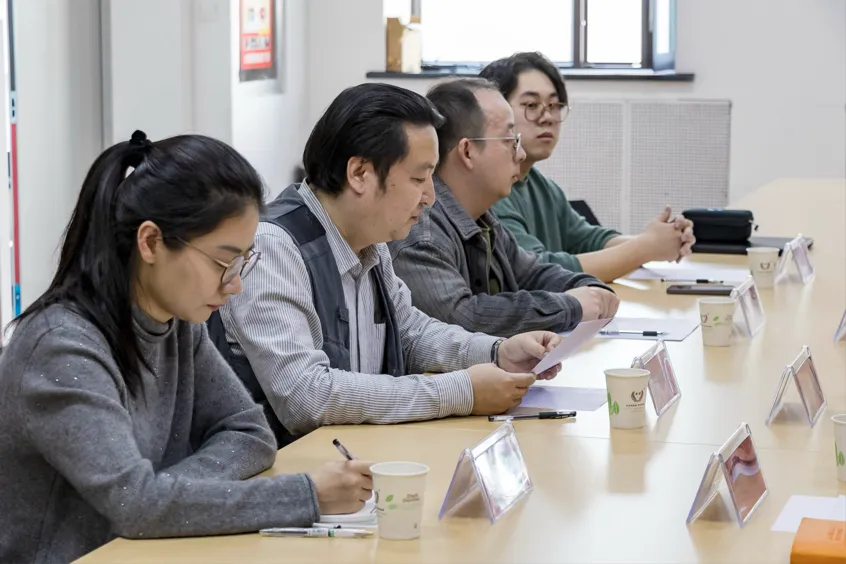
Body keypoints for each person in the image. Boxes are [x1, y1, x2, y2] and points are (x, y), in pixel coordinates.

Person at [0, 131, 372, 563]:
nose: (235, 284)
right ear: (150, 242)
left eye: (243, 261)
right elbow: (135, 505)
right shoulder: (61, 348)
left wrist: (167, 496)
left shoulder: (175, 322)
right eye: (223, 262)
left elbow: (250, 432)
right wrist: (305, 495)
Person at [215, 83, 563, 446]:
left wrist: (496, 352)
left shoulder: (369, 240)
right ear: (360, 173)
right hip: (289, 469)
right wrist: (462, 391)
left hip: (351, 459)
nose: (430, 197)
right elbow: (307, 396)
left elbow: (409, 332)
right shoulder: (273, 248)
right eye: (419, 178)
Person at [388, 78, 618, 338]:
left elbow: (532, 273)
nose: (520, 154)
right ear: (467, 151)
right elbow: (462, 317)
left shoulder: (483, 219)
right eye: (510, 140)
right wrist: (570, 305)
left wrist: (588, 288)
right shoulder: (421, 228)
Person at [479, 52, 696, 283]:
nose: (547, 117)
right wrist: (645, 247)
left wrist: (662, 239)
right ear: (495, 112)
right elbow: (538, 271)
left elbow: (588, 240)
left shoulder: (543, 186)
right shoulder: (489, 191)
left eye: (554, 105)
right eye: (531, 105)